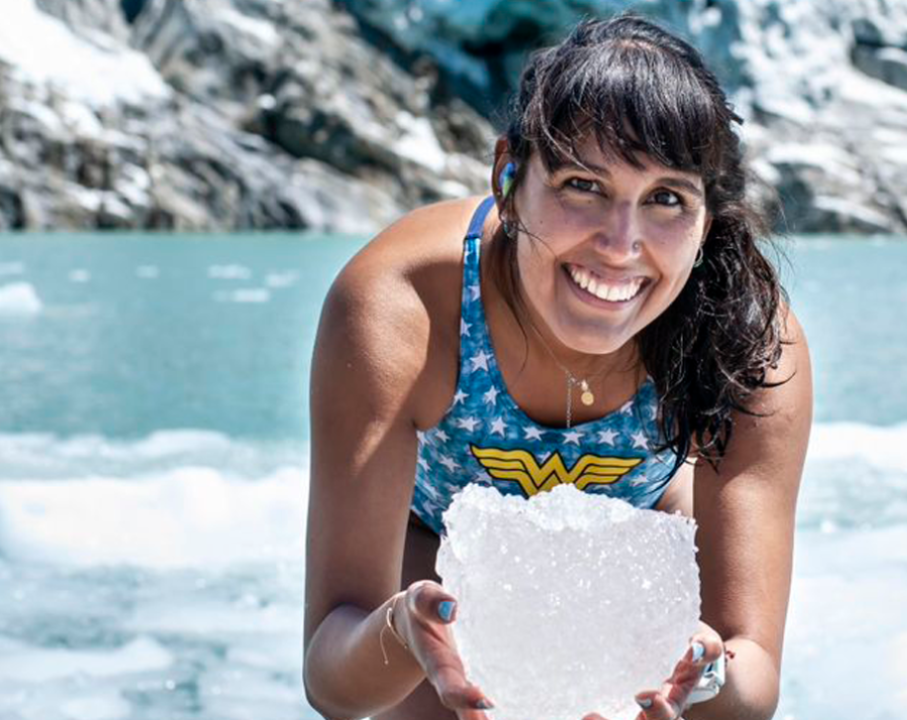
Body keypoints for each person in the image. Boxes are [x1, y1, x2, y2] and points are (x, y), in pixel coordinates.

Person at [302, 13, 812, 720]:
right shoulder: (404, 304)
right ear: (508, 177)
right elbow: (329, 675)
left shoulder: (747, 341)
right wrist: (399, 631)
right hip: (434, 558)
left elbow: (753, 672)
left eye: (667, 198)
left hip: (637, 549)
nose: (621, 244)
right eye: (582, 184)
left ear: (707, 218)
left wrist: (703, 673)